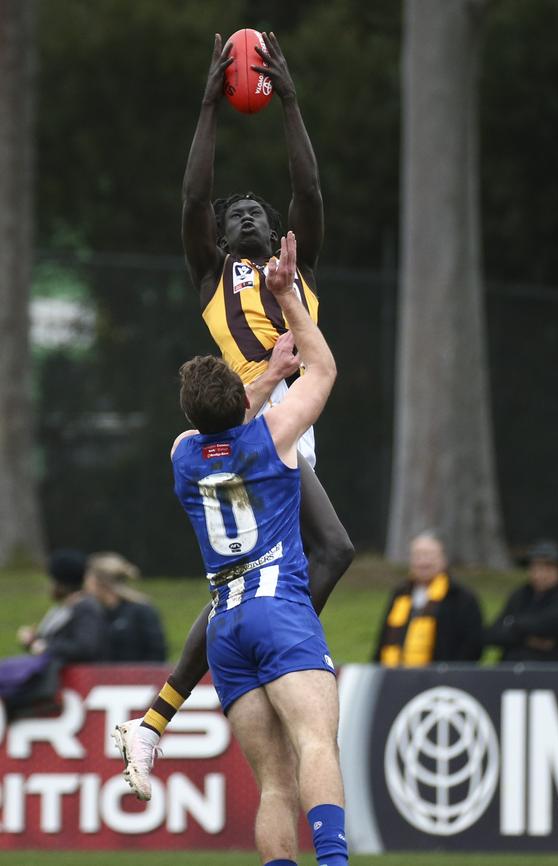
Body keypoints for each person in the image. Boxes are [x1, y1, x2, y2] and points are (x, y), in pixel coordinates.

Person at [113, 29, 352, 764]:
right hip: (256, 427)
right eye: (234, 212)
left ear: (279, 232)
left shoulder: (293, 267)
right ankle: (278, 654)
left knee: (253, 585)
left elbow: (308, 190)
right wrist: (209, 105)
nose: (248, 214)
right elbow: (193, 193)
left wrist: (290, 104)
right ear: (219, 233)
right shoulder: (213, 273)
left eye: (260, 211)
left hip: (293, 424)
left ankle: (154, 723)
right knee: (335, 549)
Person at [115, 232, 349, 866]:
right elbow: (323, 369)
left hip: (224, 628)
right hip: (278, 609)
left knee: (272, 784)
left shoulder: (183, 454)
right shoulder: (274, 436)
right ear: (247, 403)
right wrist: (286, 300)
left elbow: (219, 417)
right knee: (317, 748)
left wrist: (267, 374)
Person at [1, 550, 107, 720]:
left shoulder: (85, 608)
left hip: (68, 685)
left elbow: (85, 647)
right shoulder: (63, 608)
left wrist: (45, 646)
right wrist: (33, 641)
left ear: (62, 583)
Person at [373, 531, 483, 665]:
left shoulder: (460, 597)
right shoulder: (400, 594)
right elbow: (383, 639)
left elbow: (472, 644)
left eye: (429, 555)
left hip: (442, 677)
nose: (423, 561)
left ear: (443, 559)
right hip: (395, 674)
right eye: (417, 555)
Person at [484, 539, 558, 662]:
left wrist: (513, 625)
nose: (540, 574)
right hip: (511, 669)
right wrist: (529, 638)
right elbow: (493, 634)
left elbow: (551, 625)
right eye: (536, 568)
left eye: (547, 568)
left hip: (553, 671)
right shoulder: (520, 595)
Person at [84, 552, 167, 662]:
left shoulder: (141, 611)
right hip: (104, 678)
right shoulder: (94, 613)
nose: (85, 586)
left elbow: (157, 652)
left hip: (139, 677)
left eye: (88, 580)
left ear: (101, 583)